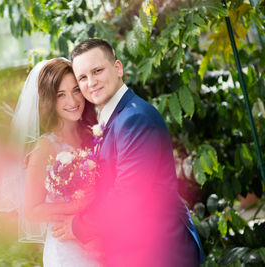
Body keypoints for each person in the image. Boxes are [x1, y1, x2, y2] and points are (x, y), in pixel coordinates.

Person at [51, 39, 205, 266]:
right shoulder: (111, 119)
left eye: (97, 71)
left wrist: (79, 225)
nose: (91, 82)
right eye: (82, 77)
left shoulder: (134, 118)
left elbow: (129, 195)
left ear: (118, 68)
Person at [0, 58, 102, 266]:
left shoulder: (92, 133)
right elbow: (31, 211)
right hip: (68, 248)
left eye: (75, 90)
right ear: (49, 101)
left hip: (98, 236)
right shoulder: (45, 147)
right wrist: (76, 205)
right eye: (60, 95)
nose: (72, 101)